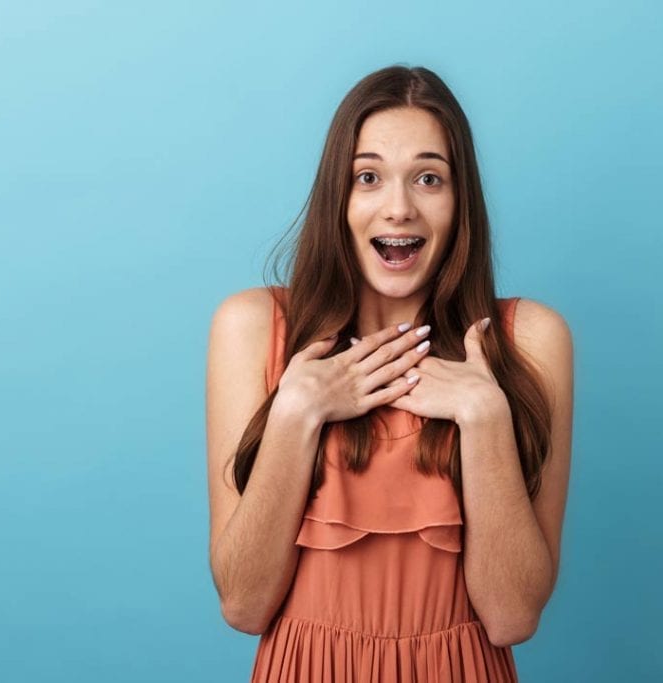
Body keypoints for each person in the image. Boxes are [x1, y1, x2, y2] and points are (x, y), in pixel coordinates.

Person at [205, 64, 574, 682]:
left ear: (460, 203)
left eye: (428, 178)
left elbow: (512, 617)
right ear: (338, 199)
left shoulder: (530, 339)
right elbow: (243, 604)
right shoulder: (254, 327)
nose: (398, 208)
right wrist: (297, 413)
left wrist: (484, 417)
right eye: (368, 177)